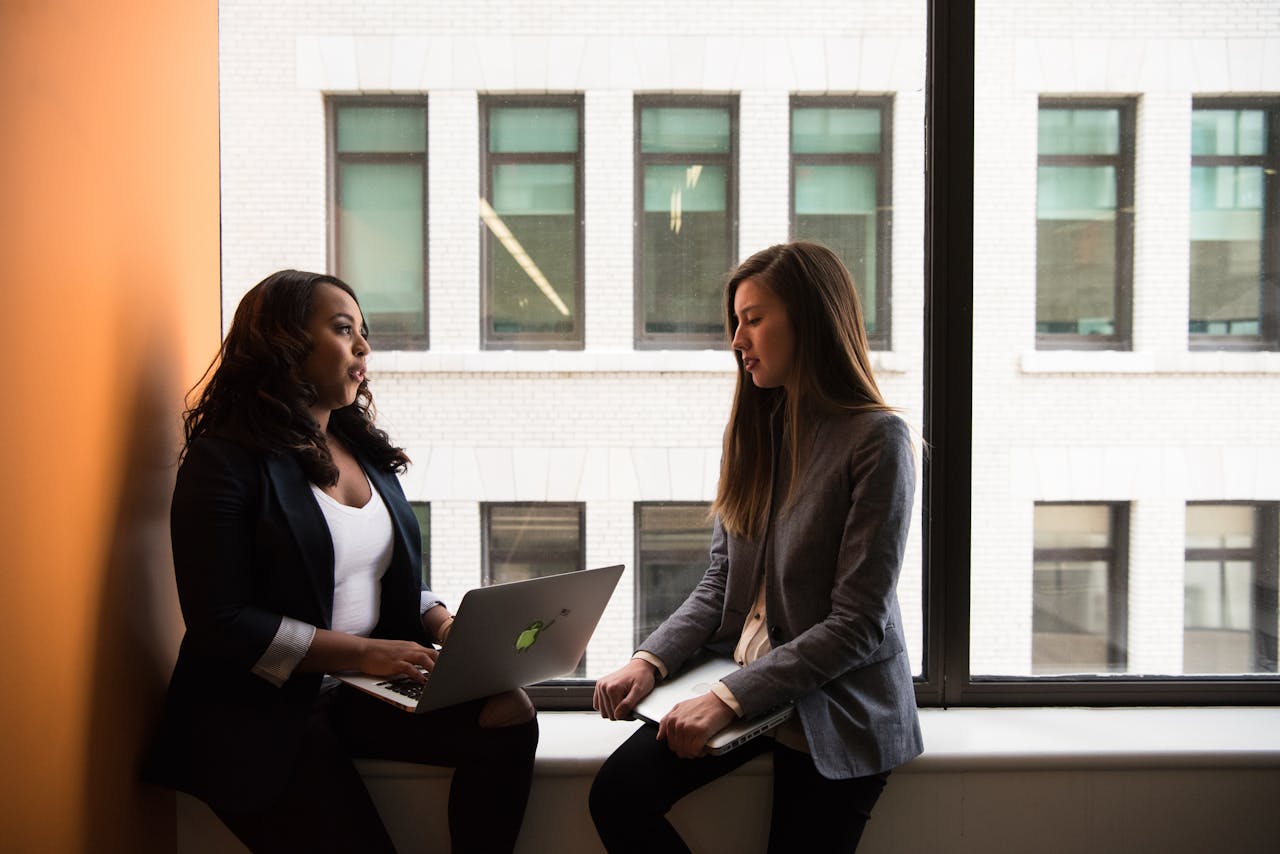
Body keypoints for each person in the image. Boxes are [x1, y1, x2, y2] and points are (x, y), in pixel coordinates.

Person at [144, 270, 538, 853]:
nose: (363, 347)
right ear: (283, 342)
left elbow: (385, 576)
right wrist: (368, 652)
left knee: (510, 713)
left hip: (356, 690)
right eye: (343, 329)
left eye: (364, 332)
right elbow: (220, 622)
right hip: (257, 711)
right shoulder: (222, 461)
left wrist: (447, 626)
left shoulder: (362, 451)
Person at [589, 242, 922, 853]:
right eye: (735, 322)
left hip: (835, 700)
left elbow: (857, 625)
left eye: (754, 318)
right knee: (616, 796)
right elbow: (721, 584)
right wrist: (649, 661)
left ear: (810, 317)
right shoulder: (755, 431)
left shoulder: (879, 440)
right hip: (747, 676)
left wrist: (726, 700)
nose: (737, 339)